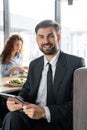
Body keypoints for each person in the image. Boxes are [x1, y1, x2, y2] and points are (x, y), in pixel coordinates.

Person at [2, 20, 85, 130]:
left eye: (50, 36)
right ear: (37, 40)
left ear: (58, 37)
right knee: (11, 117)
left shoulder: (76, 63)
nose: (45, 41)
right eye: (41, 37)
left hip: (57, 120)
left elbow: (79, 104)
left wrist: (44, 112)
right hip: (31, 117)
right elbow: (25, 91)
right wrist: (16, 101)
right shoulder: (34, 64)